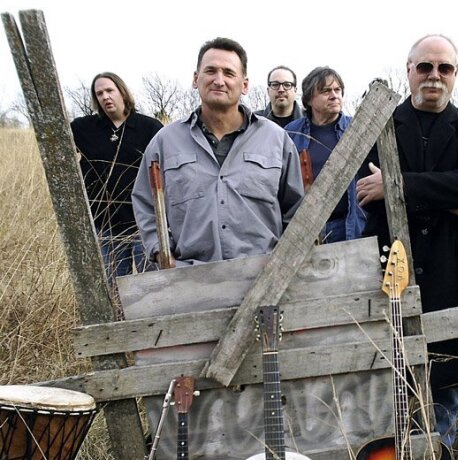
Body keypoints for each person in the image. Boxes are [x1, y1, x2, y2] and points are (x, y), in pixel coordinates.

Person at [357, 35, 458, 449]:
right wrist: (450, 198)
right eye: (425, 67)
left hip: (450, 274)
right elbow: (367, 191)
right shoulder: (378, 125)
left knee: (444, 385)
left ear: (455, 74)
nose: (434, 76)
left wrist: (396, 184)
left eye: (444, 68)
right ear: (409, 70)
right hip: (385, 272)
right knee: (383, 379)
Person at [132, 38, 304, 266]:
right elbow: (145, 204)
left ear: (244, 85)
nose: (219, 80)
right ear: (196, 79)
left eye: (229, 73)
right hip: (190, 278)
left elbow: (297, 209)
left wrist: (285, 263)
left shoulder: (276, 140)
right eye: (210, 71)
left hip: (264, 275)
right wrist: (162, 255)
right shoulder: (165, 143)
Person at [71, 72, 162, 283]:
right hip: (106, 225)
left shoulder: (149, 127)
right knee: (115, 288)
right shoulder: (84, 129)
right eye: (99, 93)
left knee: (154, 285)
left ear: (122, 92)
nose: (105, 97)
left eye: (109, 90)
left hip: (144, 224)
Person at [284, 67, 365, 243]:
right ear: (309, 99)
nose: (334, 96)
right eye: (326, 91)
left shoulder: (356, 129)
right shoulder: (291, 133)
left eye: (337, 90)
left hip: (350, 226)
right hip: (306, 231)